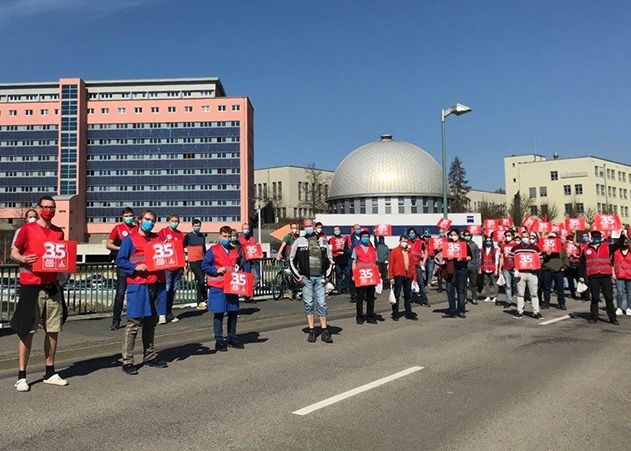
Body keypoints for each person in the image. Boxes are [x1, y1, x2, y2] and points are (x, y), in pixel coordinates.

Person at [10, 196, 69, 391]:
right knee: (27, 331)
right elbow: (14, 253)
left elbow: (62, 256)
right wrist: (24, 259)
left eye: (52, 207)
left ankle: (50, 371)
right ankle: (21, 376)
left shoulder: (58, 232)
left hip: (52, 287)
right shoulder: (27, 229)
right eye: (45, 207)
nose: (48, 210)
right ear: (39, 208)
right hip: (32, 287)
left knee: (53, 331)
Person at [116, 210, 168, 375]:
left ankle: (150, 356)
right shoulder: (129, 239)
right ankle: (127, 360)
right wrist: (135, 267)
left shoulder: (157, 239)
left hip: (154, 284)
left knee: (150, 323)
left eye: (153, 221)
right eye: (147, 220)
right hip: (138, 285)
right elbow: (120, 261)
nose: (150, 223)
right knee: (133, 323)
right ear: (139, 220)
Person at [289, 218, 334, 343]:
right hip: (306, 278)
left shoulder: (323, 242)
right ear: (303, 227)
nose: (308, 227)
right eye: (306, 226)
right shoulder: (299, 242)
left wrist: (328, 275)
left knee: (322, 303)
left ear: (314, 227)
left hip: (320, 277)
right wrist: (298, 276)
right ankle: (312, 330)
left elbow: (330, 260)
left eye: (310, 225)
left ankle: (325, 331)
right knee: (308, 304)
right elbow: (291, 260)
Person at [202, 225, 245, 351]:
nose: (227, 239)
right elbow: (204, 265)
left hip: (232, 286)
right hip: (218, 286)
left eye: (229, 236)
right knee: (219, 313)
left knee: (233, 312)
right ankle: (219, 340)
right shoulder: (213, 250)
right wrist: (216, 270)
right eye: (224, 236)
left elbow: (237, 265)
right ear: (220, 236)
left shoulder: (234, 250)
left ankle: (232, 337)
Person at [106, 207, 136, 331]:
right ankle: (116, 320)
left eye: (131, 215)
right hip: (123, 265)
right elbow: (108, 244)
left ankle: (133, 318)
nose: (129, 218)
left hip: (134, 264)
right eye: (127, 215)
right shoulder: (118, 228)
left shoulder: (136, 229)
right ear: (122, 217)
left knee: (133, 293)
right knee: (120, 293)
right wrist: (121, 249)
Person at [579, 230, 618, 325]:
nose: (596, 239)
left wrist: (622, 235)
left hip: (605, 275)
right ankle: (594, 317)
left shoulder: (607, 247)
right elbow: (582, 264)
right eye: (594, 237)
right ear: (591, 238)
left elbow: (618, 245)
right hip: (593, 275)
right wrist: (581, 276)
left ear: (600, 238)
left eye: (597, 237)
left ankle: (613, 318)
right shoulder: (586, 249)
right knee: (595, 297)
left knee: (608, 297)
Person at [157, 214, 184, 324]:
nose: (174, 222)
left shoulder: (180, 234)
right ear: (168, 221)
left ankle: (169, 312)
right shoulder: (162, 232)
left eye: (176, 221)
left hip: (178, 267)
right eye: (172, 220)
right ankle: (161, 314)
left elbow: (181, 251)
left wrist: (183, 265)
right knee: (166, 290)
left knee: (173, 291)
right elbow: (156, 245)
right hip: (167, 267)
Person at [512, 231, 543, 319]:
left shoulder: (535, 248)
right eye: (523, 236)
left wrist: (537, 266)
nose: (525, 238)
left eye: (527, 236)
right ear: (521, 238)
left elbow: (540, 259)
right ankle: (519, 311)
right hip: (520, 273)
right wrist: (513, 267)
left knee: (534, 294)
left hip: (532, 273)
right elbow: (510, 258)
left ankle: (536, 312)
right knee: (520, 294)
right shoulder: (515, 248)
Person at [351, 230, 379, 324]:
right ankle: (359, 317)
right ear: (361, 238)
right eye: (363, 237)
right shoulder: (356, 249)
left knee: (370, 297)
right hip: (361, 276)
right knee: (360, 297)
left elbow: (376, 263)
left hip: (371, 276)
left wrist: (378, 273)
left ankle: (370, 316)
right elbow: (354, 262)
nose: (365, 238)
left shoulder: (373, 249)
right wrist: (354, 274)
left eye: (367, 236)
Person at [442, 229, 472, 319]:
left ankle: (461, 310)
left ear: (458, 235)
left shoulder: (464, 244)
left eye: (455, 234)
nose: (453, 236)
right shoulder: (447, 245)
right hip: (450, 270)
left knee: (461, 290)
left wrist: (463, 258)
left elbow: (470, 257)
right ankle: (452, 310)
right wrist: (447, 257)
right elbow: (442, 257)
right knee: (450, 290)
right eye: (451, 235)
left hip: (461, 269)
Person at [388, 235, 418, 321]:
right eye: (403, 241)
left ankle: (409, 313)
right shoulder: (394, 251)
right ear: (400, 241)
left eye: (406, 241)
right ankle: (395, 313)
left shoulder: (409, 252)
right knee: (397, 294)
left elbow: (412, 266)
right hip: (398, 275)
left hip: (408, 275)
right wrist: (391, 277)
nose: (405, 243)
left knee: (408, 295)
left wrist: (414, 277)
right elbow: (391, 265)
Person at [541, 232, 569, 310]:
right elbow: (541, 258)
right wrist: (547, 255)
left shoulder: (561, 248)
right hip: (547, 270)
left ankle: (562, 303)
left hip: (558, 271)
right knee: (547, 288)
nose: (552, 240)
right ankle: (546, 303)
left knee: (560, 288)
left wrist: (564, 267)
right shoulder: (545, 248)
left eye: (553, 238)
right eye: (550, 238)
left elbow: (565, 258)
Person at [184, 219, 207, 310]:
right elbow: (183, 246)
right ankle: (204, 298)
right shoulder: (188, 236)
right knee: (201, 279)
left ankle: (200, 301)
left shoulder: (202, 236)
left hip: (202, 260)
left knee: (200, 281)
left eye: (199, 226)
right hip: (193, 261)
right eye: (196, 225)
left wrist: (206, 258)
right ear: (192, 226)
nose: (197, 227)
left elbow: (204, 248)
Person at [277, 223, 300, 299]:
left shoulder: (298, 237)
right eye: (293, 228)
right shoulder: (288, 237)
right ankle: (290, 290)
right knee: (290, 275)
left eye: (296, 228)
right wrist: (278, 254)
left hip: (297, 258)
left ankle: (296, 292)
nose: (295, 229)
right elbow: (282, 246)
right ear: (290, 229)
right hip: (289, 258)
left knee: (296, 275)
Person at [407, 227, 430, 306]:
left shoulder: (420, 242)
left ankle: (424, 300)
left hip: (417, 265)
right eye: (410, 233)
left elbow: (426, 251)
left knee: (421, 283)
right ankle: (409, 299)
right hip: (408, 267)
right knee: (408, 283)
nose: (411, 234)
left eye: (413, 233)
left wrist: (423, 262)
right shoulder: (406, 242)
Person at [238, 223, 260, 303]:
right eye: (244, 228)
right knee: (247, 278)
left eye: (247, 228)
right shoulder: (239, 239)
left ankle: (247, 293)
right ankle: (249, 296)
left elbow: (255, 248)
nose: (246, 230)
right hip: (244, 261)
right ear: (242, 229)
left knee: (257, 278)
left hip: (253, 260)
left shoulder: (252, 239)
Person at [329, 226, 351, 295]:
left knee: (347, 274)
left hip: (345, 259)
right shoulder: (331, 239)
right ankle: (339, 288)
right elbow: (330, 250)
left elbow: (348, 248)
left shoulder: (344, 238)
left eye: (338, 230)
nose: (337, 231)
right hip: (337, 260)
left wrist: (344, 252)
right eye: (335, 230)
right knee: (339, 275)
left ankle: (347, 287)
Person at [613, 237, 631, 316]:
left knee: (630, 293)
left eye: (627, 242)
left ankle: (629, 308)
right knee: (620, 292)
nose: (625, 243)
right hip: (619, 275)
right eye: (624, 242)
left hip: (630, 275)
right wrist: (613, 274)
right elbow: (612, 264)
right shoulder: (616, 252)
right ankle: (619, 308)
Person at [499, 230, 517, 309]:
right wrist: (500, 267)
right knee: (508, 285)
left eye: (509, 235)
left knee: (516, 285)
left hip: (515, 267)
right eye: (506, 235)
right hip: (506, 267)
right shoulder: (503, 245)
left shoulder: (516, 245)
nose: (507, 237)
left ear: (512, 236)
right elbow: (502, 257)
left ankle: (519, 299)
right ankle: (509, 301)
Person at [479, 236, 500, 303]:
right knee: (486, 283)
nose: (488, 242)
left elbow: (497, 261)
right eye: (487, 241)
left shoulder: (495, 250)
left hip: (492, 268)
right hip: (485, 268)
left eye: (490, 241)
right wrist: (480, 268)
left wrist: (496, 270)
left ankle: (495, 297)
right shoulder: (482, 250)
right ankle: (487, 296)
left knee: (494, 283)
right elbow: (480, 259)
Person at [463, 230, 480, 305]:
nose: (467, 236)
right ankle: (464, 298)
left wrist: (477, 266)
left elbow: (477, 257)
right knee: (464, 283)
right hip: (464, 266)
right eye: (465, 235)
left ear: (471, 236)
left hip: (473, 267)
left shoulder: (474, 245)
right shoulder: (461, 244)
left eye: (468, 235)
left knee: (473, 283)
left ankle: (474, 298)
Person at [348, 224, 363, 302]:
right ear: (353, 230)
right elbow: (347, 249)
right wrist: (354, 252)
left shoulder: (363, 238)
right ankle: (353, 295)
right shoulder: (350, 238)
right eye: (357, 229)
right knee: (353, 279)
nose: (358, 230)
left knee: (362, 279)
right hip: (353, 261)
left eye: (359, 229)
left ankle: (362, 294)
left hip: (362, 262)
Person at [564, 234, 581, 300]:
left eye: (571, 238)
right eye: (569, 238)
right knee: (570, 280)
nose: (570, 240)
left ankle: (583, 294)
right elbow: (564, 253)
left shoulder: (578, 244)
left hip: (577, 263)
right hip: (569, 263)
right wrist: (568, 256)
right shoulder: (565, 245)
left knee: (579, 280)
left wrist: (576, 256)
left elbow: (581, 253)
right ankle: (573, 294)